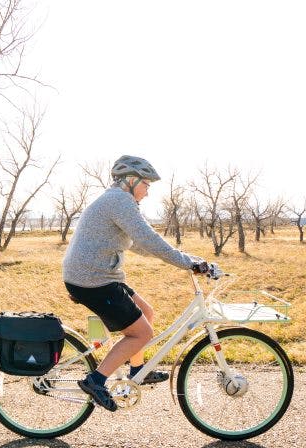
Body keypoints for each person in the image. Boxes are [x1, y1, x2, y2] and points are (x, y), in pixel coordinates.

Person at [62, 155, 208, 412]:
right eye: (147, 185)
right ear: (131, 180)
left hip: (99, 275)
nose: (148, 192)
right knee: (141, 333)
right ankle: (95, 380)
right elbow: (149, 239)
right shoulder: (120, 201)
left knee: (147, 313)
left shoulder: (117, 200)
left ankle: (138, 370)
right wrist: (187, 263)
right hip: (92, 279)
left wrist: (190, 260)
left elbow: (139, 244)